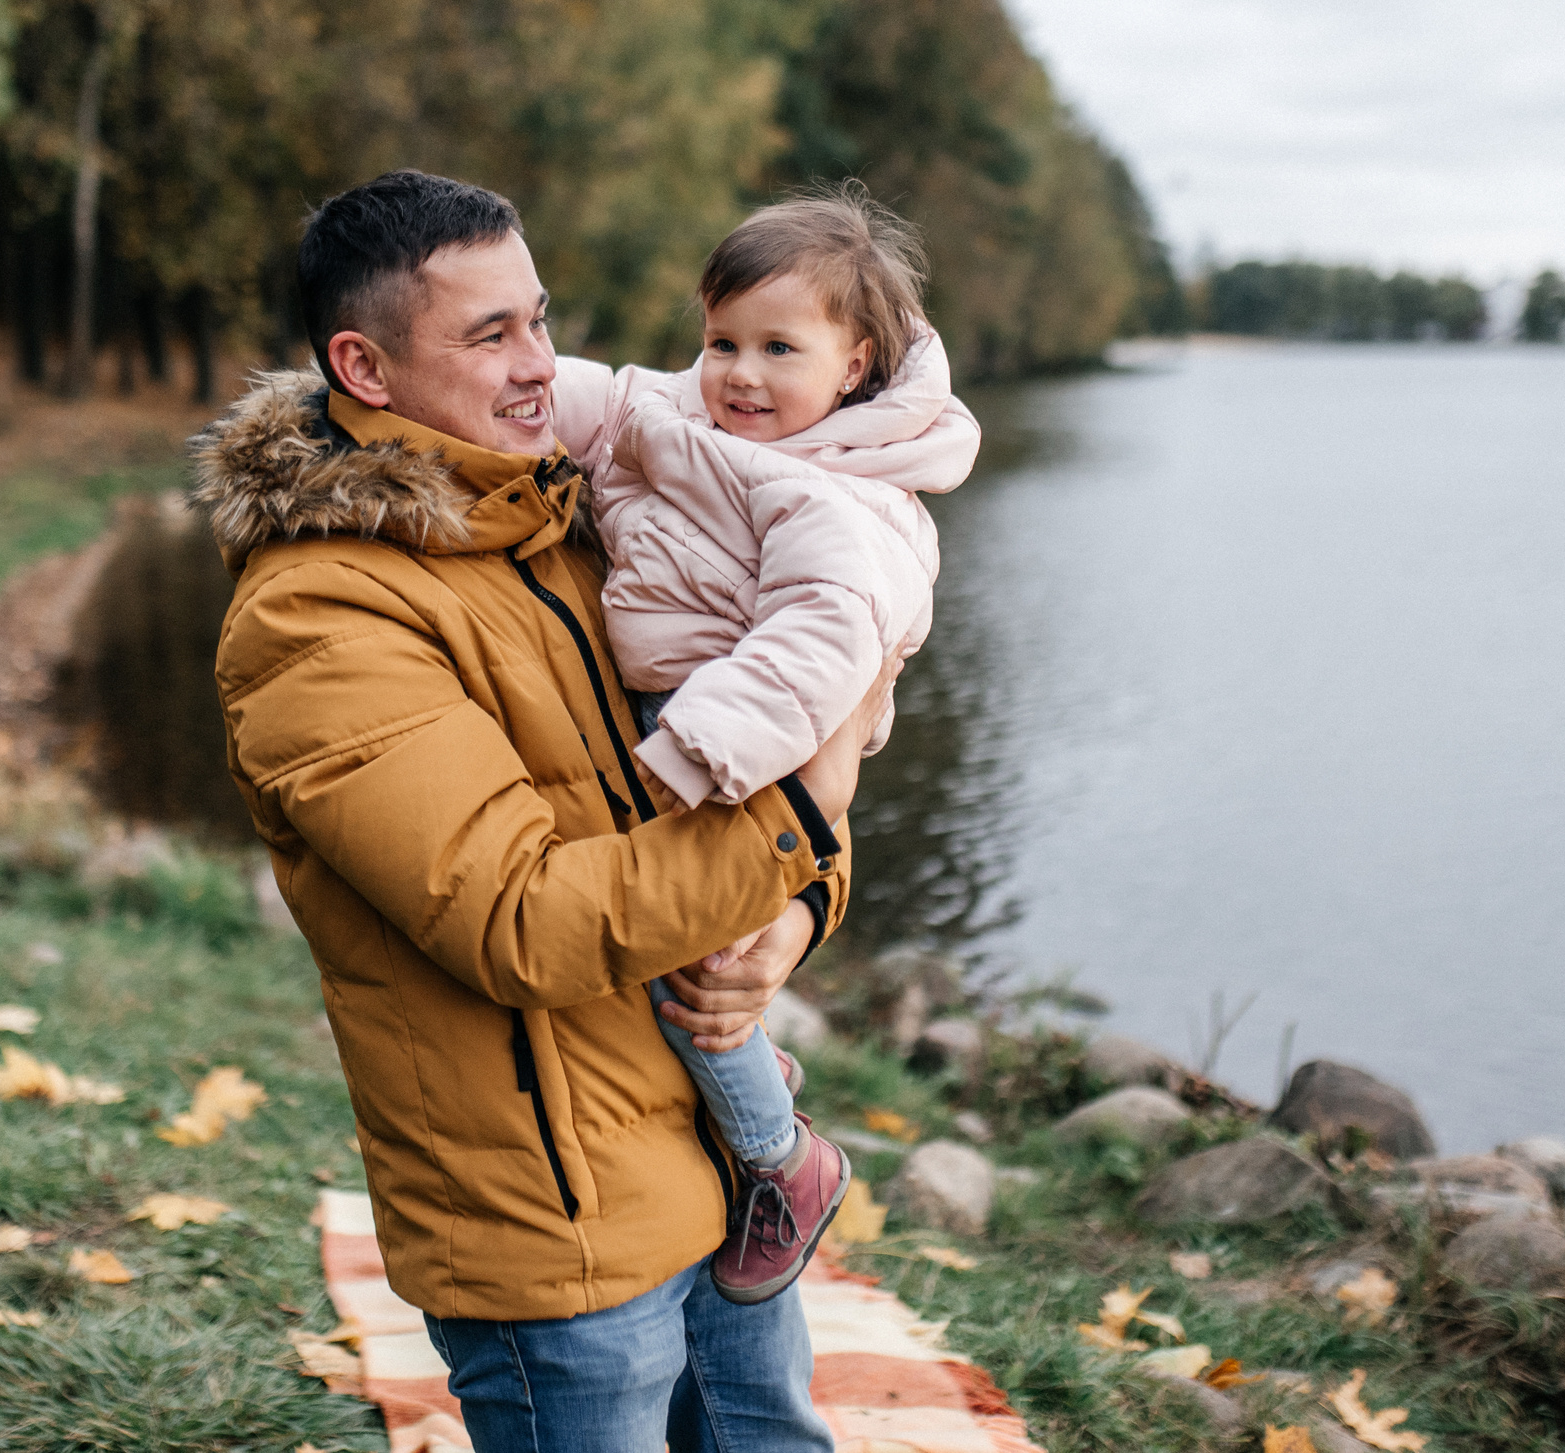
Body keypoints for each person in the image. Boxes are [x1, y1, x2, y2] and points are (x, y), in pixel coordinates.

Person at [192, 169, 888, 1453]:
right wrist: (805, 810)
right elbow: (522, 920)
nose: (538, 363)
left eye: (540, 318)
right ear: (364, 365)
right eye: (489, 334)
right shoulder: (320, 615)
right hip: (559, 1234)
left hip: (721, 1171)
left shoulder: (566, 516)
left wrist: (796, 910)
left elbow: (754, 778)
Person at [549, 186, 978, 1304]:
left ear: (854, 363)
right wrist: (518, 388)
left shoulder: (833, 496)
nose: (739, 373)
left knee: (695, 962)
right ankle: (757, 1092)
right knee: (689, 954)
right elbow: (603, 396)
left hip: (740, 743)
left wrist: (698, 750)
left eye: (778, 348)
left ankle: (783, 1158)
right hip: (695, 717)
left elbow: (821, 638)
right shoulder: (697, 418)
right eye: (721, 341)